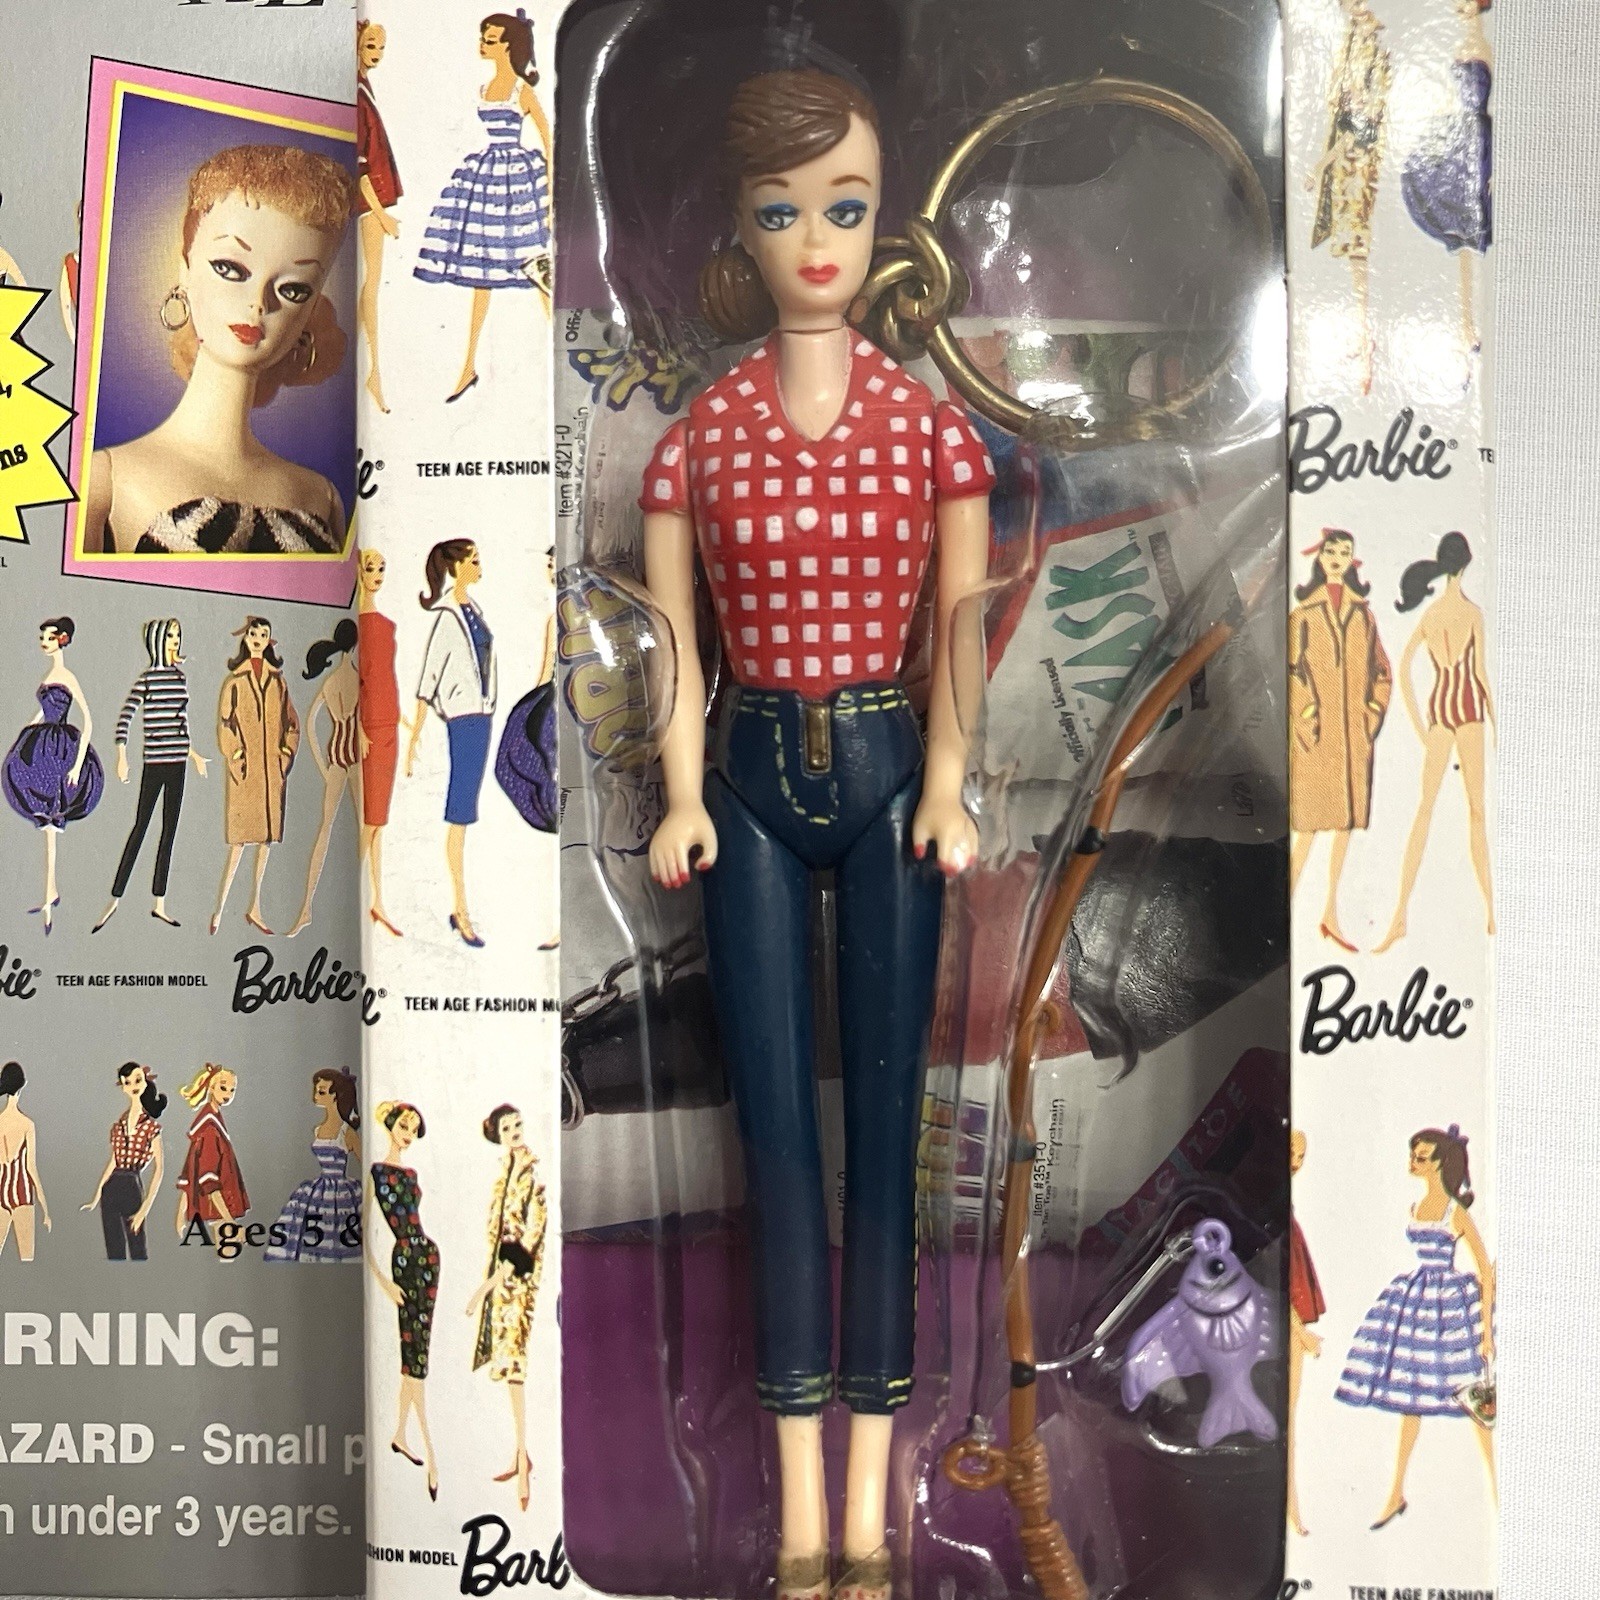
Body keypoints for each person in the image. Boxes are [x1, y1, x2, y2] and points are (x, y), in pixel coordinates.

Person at [636, 70, 991, 1600]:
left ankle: (871, 1502)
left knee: (889, 1137)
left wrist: (952, 780)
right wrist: (679, 795)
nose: (817, 240)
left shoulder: (932, 431)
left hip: (893, 771)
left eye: (843, 206)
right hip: (750, 776)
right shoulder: (697, 439)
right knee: (778, 1142)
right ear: (741, 229)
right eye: (782, 212)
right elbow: (672, 646)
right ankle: (797, 1515)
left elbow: (959, 628)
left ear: (885, 217)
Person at [81, 143, 354, 555]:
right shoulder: (107, 480)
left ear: (310, 310)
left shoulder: (322, 498)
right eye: (231, 269)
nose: (258, 303)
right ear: (186, 268)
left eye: (294, 289)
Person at [1336, 1126, 1496, 1526]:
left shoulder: (1455, 1212)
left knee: (1474, 1399)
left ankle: (1498, 1492)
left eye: (1421, 1157)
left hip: (1450, 1308)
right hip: (1417, 1300)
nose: (1413, 1163)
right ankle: (1396, 1493)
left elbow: (1484, 1269)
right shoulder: (1416, 1206)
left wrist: (1486, 1332)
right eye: (1412, 1155)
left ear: (1439, 1163)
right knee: (1411, 1396)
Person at [414, 9, 553, 400]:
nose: (482, 45)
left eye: (489, 40)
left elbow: (548, 140)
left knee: (537, 268)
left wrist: (551, 197)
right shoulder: (484, 88)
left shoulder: (521, 90)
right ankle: (468, 366)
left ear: (507, 45)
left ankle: (559, 351)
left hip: (518, 180)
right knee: (479, 269)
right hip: (487, 177)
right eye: (482, 38)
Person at [1375, 532, 1494, 949]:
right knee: (1476, 810)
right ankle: (1490, 911)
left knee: (1424, 810)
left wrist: (1420, 727)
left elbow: (1403, 669)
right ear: (1466, 565)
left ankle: (1400, 914)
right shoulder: (1472, 613)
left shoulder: (1431, 615)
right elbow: (1479, 674)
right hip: (1469, 712)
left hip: (1439, 713)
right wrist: (1497, 724)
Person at [1288, 530, 1391, 950]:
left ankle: (1330, 913)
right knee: (1310, 827)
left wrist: (1372, 714)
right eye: (1330, 550)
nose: (1336, 557)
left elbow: (1381, 672)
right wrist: (1306, 714)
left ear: (1352, 561)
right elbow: (1292, 671)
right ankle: (1284, 904)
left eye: (1344, 552)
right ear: (1320, 557)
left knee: (1343, 825)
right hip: (1316, 737)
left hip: (1353, 738)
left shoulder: (1363, 615)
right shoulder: (1302, 615)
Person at [95, 619, 209, 933]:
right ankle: (115, 897)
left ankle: (159, 902)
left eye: (178, 635)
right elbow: (125, 717)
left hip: (178, 763)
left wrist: (194, 754)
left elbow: (181, 723)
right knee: (141, 827)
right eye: (170, 635)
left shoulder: (180, 678)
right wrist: (122, 756)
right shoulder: (147, 679)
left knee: (169, 830)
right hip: (154, 762)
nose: (176, 640)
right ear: (157, 639)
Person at [408, 540, 496, 948]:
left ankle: (461, 907)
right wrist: (414, 735)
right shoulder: (447, 617)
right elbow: (428, 678)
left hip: (481, 715)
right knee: (460, 812)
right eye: (473, 560)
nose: (479, 565)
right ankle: (461, 909)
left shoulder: (474, 610)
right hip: (463, 719)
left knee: (465, 810)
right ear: (457, 567)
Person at [466, 1105, 547, 1513]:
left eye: (517, 1124)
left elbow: (532, 1233)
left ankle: (523, 1461)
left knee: (514, 1363)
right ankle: (520, 1453)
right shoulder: (504, 1172)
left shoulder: (532, 1172)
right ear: (496, 1135)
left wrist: (487, 1286)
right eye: (506, 1127)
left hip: (518, 1277)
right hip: (501, 1275)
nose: (514, 1131)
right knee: (507, 1362)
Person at [1307, 0, 1392, 392]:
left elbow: (1364, 120)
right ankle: (1360, 332)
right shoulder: (1349, 40)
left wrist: (1321, 165)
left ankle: (1364, 335)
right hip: (1348, 159)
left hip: (1358, 159)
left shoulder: (1372, 47)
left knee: (1357, 248)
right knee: (1351, 250)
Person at [1401, 0, 1493, 356]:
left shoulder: (1483, 45)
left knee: (1474, 231)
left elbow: (1484, 100)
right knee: (1462, 238)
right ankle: (1466, 324)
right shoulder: (1461, 44)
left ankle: (1475, 321)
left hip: (1477, 143)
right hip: (1461, 140)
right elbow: (1452, 95)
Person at [4, 617, 102, 935]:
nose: (43, 643)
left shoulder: (67, 676)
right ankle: (50, 891)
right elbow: (45, 710)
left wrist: (77, 764)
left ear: (61, 640)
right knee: (46, 823)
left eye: (48, 638)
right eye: (41, 638)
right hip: (43, 746)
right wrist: (27, 731)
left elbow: (88, 720)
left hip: (61, 752)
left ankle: (51, 892)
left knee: (52, 820)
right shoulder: (50, 675)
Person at [367, 1102, 440, 1501]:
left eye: (414, 1128)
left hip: (427, 1255)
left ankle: (400, 1433)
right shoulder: (377, 1172)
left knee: (416, 1356)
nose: (409, 1134)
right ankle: (431, 1455)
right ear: (391, 1126)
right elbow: (365, 1235)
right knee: (414, 1356)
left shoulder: (410, 1174)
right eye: (404, 1126)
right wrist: (384, 1283)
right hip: (405, 1261)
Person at [213, 617, 300, 936]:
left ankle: (256, 907)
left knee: (265, 842)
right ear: (246, 638)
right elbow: (225, 725)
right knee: (239, 843)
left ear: (269, 640)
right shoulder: (234, 682)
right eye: (254, 634)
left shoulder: (278, 682)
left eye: (264, 634)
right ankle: (220, 909)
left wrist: (285, 756)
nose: (258, 638)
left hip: (271, 774)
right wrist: (236, 755)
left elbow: (292, 724)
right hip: (246, 773)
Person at [286, 620, 362, 937]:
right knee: (362, 828)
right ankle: (361, 901)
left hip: (335, 759)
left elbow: (309, 722)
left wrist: (322, 765)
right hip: (354, 759)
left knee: (326, 829)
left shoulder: (331, 682)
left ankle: (307, 907)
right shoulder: (357, 678)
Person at [264, 1069, 361, 1263]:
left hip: (341, 1192)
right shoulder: (318, 1129)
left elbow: (365, 1161)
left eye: (322, 1091)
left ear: (335, 1095)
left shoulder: (347, 1132)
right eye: (316, 1091)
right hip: (318, 1189)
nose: (316, 1096)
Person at [357, 547, 405, 936]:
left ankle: (377, 900)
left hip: (389, 724)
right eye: (371, 567)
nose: (377, 574)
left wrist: (404, 717)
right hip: (369, 727)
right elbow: (355, 680)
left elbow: (387, 675)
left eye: (381, 568)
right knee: (369, 820)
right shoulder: (355, 625)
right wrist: (358, 727)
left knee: (379, 822)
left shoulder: (386, 625)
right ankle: (350, 894)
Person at [357, 20, 403, 413]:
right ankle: (370, 370)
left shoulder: (364, 88)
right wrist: (382, 215)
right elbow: (360, 169)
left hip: (373, 203)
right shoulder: (356, 95)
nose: (377, 54)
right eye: (371, 45)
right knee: (369, 285)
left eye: (381, 47)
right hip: (367, 204)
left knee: (371, 284)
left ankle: (371, 369)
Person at [83, 1063, 166, 1262]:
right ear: (123, 1087)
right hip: (111, 1190)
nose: (133, 1086)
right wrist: (96, 1196)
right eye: (127, 1083)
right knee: (114, 1250)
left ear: (145, 1082)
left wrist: (144, 1210)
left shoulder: (151, 1127)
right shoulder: (119, 1125)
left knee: (138, 1250)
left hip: (132, 1187)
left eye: (137, 1080)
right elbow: (113, 1161)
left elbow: (159, 1168)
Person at [174, 1064, 248, 1256]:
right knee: (227, 1255)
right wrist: (230, 1221)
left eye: (232, 1090)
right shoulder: (209, 1130)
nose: (228, 1094)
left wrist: (181, 1212)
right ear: (211, 1087)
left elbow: (190, 1171)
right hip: (220, 1206)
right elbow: (208, 1180)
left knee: (227, 1257)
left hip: (222, 1207)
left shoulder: (212, 1123)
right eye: (223, 1088)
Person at [0, 1062, 50, 1261]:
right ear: (22, 1086)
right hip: (22, 1194)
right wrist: (45, 1209)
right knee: (27, 1258)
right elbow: (31, 1168)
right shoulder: (27, 1124)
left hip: (1, 1192)